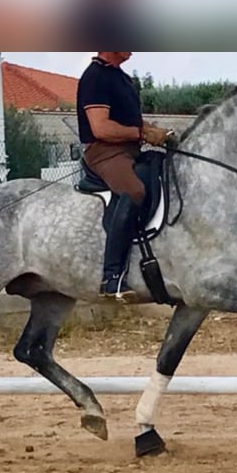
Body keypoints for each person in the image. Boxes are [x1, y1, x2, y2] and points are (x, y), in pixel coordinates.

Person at [77, 52, 171, 301]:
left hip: (130, 151)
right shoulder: (95, 77)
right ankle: (112, 277)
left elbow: (132, 122)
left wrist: (156, 132)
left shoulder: (122, 78)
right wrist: (141, 133)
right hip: (105, 153)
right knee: (133, 191)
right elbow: (101, 128)